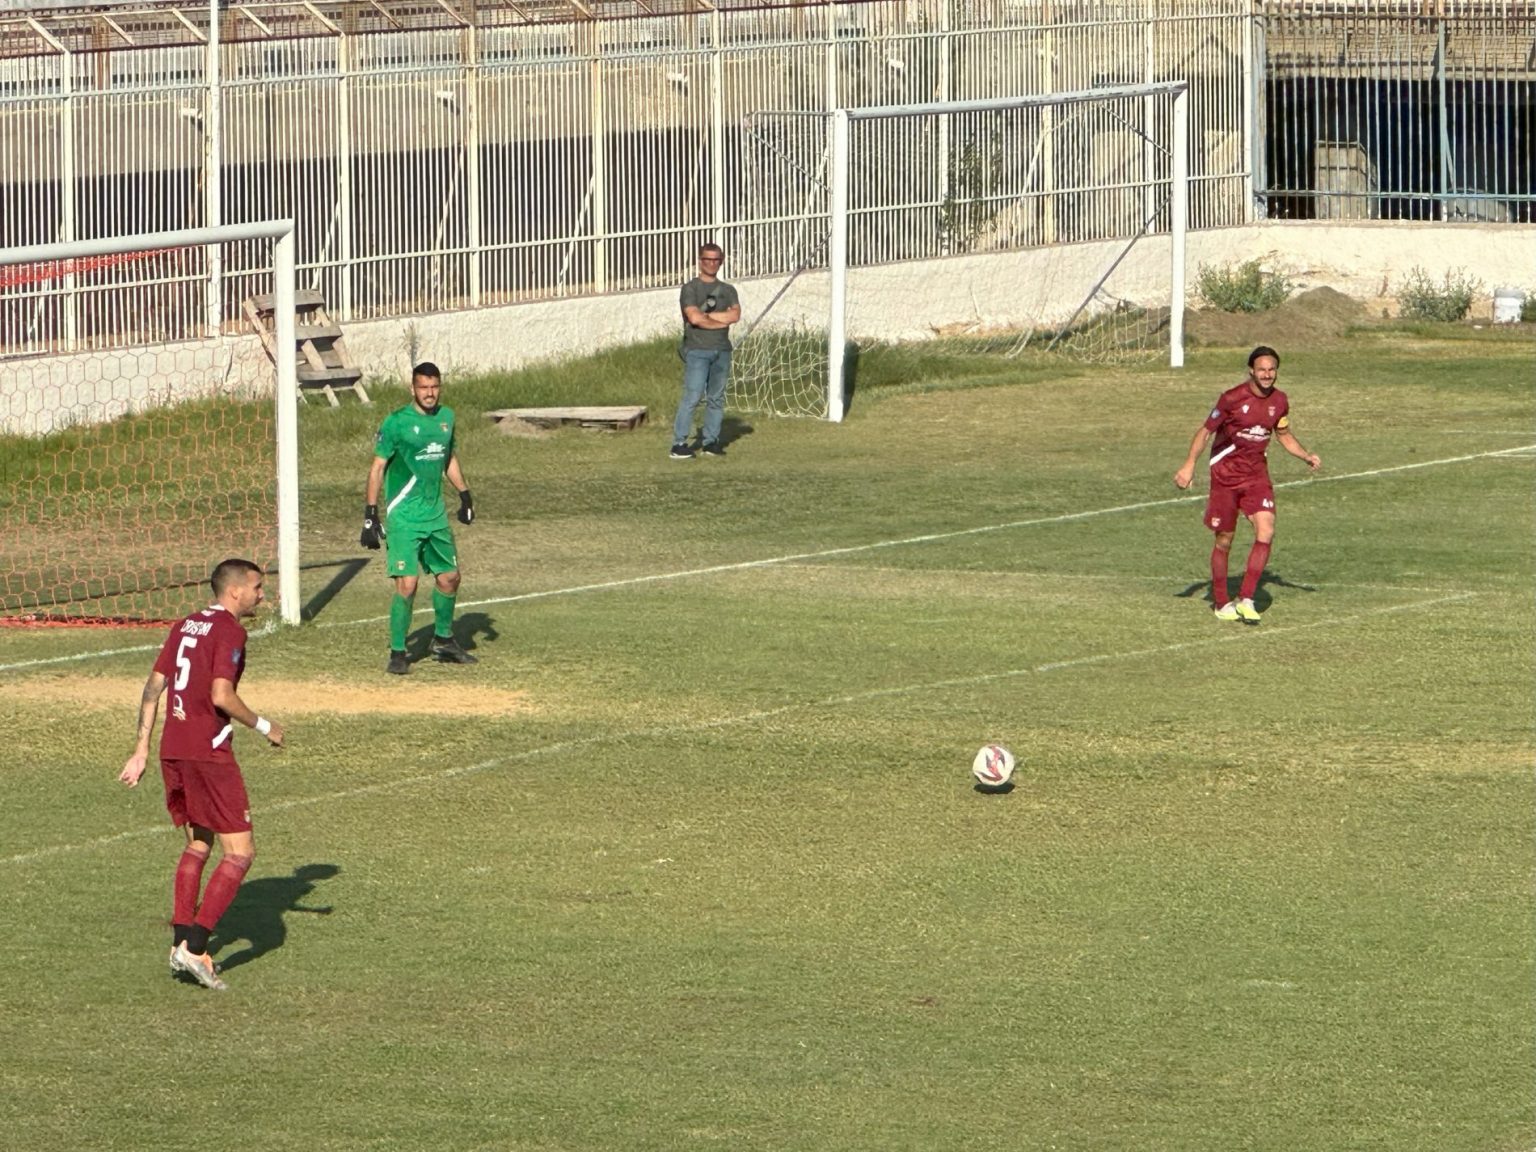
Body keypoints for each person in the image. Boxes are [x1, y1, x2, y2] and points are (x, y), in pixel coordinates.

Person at [118, 558, 285, 991]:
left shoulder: (186, 624)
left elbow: (153, 688)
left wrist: (140, 751)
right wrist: (265, 726)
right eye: (257, 588)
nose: (261, 595)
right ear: (234, 592)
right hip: (209, 754)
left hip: (173, 750)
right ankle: (196, 948)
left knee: (198, 842)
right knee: (241, 853)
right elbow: (221, 695)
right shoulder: (231, 631)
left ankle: (179, 945)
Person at [1173, 345, 1321, 622]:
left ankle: (1247, 598)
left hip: (1256, 477)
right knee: (1225, 540)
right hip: (1225, 477)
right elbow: (1206, 431)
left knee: (1266, 529)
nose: (1267, 374)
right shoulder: (1231, 399)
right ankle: (1220, 602)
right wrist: (1189, 464)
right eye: (1262, 369)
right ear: (1251, 370)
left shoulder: (1280, 401)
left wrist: (1305, 456)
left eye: (1272, 369)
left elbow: (1284, 434)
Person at [360, 361, 477, 674]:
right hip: (404, 518)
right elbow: (378, 467)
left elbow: (447, 457)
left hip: (435, 514)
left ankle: (443, 639)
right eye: (424, 387)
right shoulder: (397, 422)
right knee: (407, 584)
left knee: (450, 577)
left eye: (435, 387)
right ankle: (398, 652)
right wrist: (370, 514)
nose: (430, 393)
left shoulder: (447, 418)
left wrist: (464, 495)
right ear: (412, 388)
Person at [671, 241, 741, 459]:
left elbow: (735, 316)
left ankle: (711, 441)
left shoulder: (728, 290)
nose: (711, 263)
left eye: (715, 260)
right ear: (699, 261)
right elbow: (693, 317)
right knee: (692, 396)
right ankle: (679, 443)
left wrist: (707, 318)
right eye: (707, 259)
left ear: (721, 262)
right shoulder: (690, 288)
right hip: (697, 350)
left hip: (722, 350)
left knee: (716, 398)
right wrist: (718, 319)